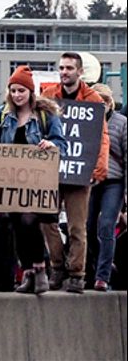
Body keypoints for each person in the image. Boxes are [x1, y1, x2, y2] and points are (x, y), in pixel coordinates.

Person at [0, 65, 67, 294]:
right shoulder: (3, 114)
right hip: (10, 182)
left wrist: (52, 144)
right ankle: (27, 272)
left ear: (30, 91)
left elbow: (62, 144)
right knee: (14, 223)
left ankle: (40, 269)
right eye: (13, 90)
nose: (17, 95)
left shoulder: (46, 115)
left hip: (37, 182)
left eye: (21, 91)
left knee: (29, 221)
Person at [40, 52, 110, 294]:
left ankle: (77, 274)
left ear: (80, 72)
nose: (64, 72)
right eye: (61, 67)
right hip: (52, 172)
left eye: (69, 68)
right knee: (47, 219)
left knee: (77, 227)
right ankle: (58, 266)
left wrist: (98, 169)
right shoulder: (48, 96)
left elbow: (101, 137)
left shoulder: (92, 99)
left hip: (79, 172)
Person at [86, 84, 126, 291]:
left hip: (115, 181)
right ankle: (102, 260)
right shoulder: (86, 122)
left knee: (107, 225)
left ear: (109, 103)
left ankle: (102, 276)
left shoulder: (122, 123)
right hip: (92, 181)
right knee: (88, 227)